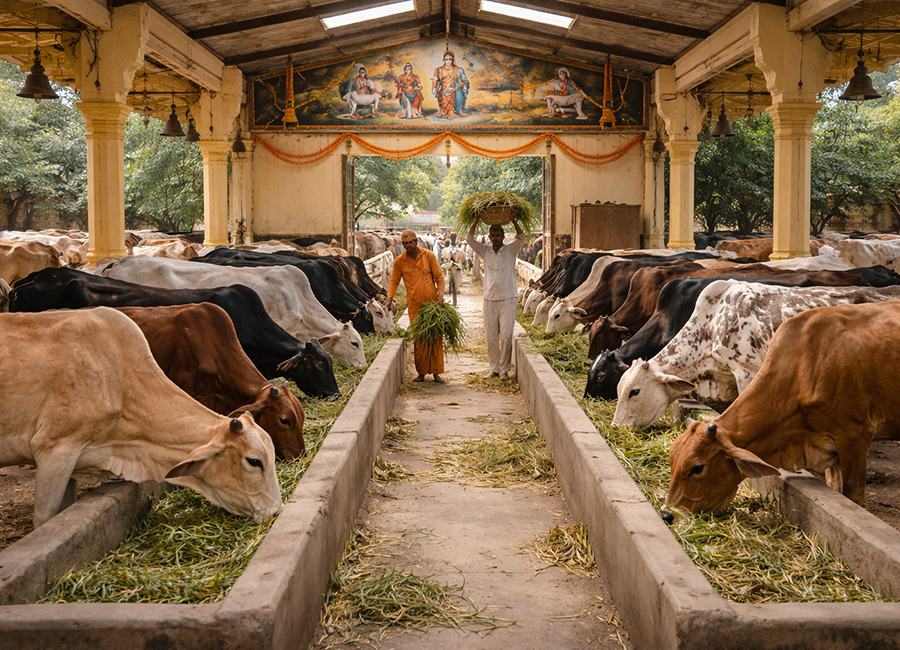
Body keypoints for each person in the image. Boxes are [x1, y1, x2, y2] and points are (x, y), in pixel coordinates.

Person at [466, 219, 527, 380]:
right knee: (491, 336)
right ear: (489, 236)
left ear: (503, 236)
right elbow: (469, 239)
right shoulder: (485, 251)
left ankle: (504, 370)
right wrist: (476, 220)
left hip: (507, 298)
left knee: (506, 335)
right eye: (492, 235)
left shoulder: (511, 250)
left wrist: (514, 220)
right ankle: (494, 368)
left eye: (498, 235)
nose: (495, 238)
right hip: (489, 299)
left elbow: (522, 237)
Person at [386, 229, 446, 383]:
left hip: (433, 305)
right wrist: (389, 298)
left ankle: (436, 373)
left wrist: (440, 294)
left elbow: (439, 277)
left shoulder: (429, 256)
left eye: (410, 242)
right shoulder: (400, 261)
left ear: (416, 241)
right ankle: (421, 372)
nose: (408, 246)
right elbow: (394, 281)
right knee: (419, 339)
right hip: (415, 306)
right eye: (404, 243)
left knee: (435, 338)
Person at [432, 50, 469, 119]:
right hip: (443, 90)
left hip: (454, 89)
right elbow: (435, 79)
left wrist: (457, 88)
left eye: (450, 59)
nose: (448, 61)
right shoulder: (438, 70)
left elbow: (464, 81)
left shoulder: (457, 69)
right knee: (442, 93)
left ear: (452, 60)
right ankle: (444, 111)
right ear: (444, 60)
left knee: (455, 92)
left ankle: (453, 111)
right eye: (446, 59)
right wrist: (434, 87)